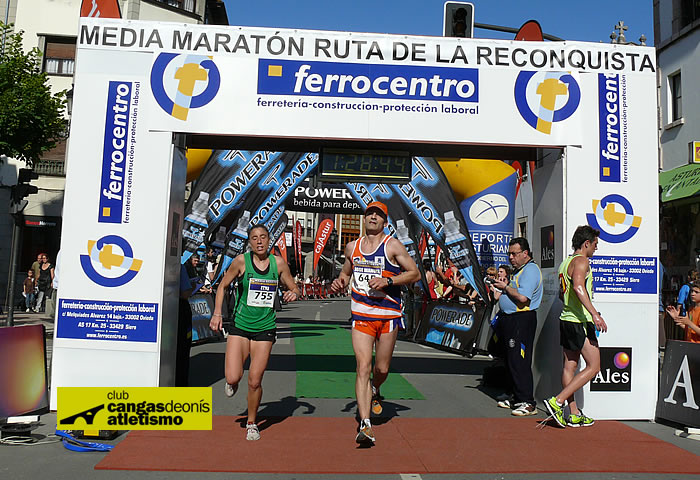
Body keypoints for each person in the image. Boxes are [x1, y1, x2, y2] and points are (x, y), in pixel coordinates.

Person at [331, 201, 420, 445]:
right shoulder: (352, 247)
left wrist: (388, 281)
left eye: (378, 215)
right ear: (364, 218)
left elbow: (414, 273)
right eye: (369, 213)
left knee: (381, 370)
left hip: (388, 316)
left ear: (385, 222)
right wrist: (339, 281)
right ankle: (366, 424)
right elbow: (346, 273)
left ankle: (375, 389)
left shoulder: (392, 245)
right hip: (361, 315)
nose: (373, 217)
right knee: (363, 367)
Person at [210, 224, 300, 441]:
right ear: (249, 242)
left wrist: (294, 293)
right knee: (233, 376)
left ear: (270, 240)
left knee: (254, 381)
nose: (259, 241)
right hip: (240, 326)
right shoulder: (241, 261)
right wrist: (217, 313)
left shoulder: (278, 264)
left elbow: (293, 287)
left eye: (263, 237)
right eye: (254, 238)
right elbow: (222, 286)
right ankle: (232, 382)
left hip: (265, 329)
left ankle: (251, 422)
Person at [544, 225, 608, 428]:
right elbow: (578, 287)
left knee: (570, 366)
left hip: (567, 319)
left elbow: (563, 295)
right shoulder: (581, 261)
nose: (596, 249)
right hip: (579, 322)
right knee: (594, 367)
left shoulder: (566, 263)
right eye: (595, 245)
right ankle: (558, 401)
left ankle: (573, 413)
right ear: (586, 243)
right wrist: (594, 313)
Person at [491, 237, 543, 416]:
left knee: (519, 360)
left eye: (514, 254)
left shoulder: (530, 270)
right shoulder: (518, 270)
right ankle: (515, 395)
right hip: (510, 319)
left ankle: (528, 401)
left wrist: (505, 287)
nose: (511, 257)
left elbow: (522, 298)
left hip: (521, 319)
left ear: (525, 254)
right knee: (510, 359)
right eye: (509, 254)